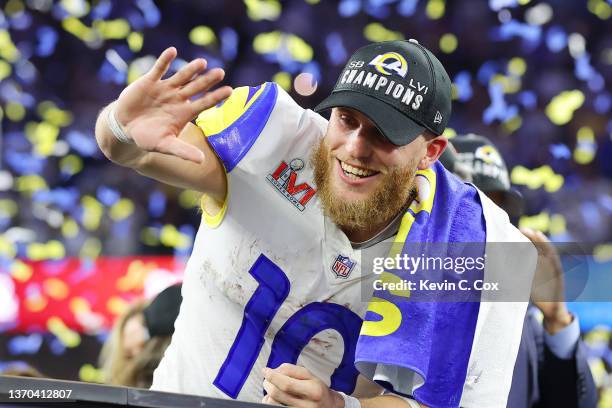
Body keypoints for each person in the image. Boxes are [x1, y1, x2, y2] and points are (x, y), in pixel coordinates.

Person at [94, 40, 536, 407]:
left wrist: (341, 406)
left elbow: (440, 403)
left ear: (431, 152)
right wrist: (118, 128)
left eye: (384, 133)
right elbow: (138, 151)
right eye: (347, 119)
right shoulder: (271, 136)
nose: (355, 147)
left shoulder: (463, 241)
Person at [441, 134, 597, 408]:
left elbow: (574, 403)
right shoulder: (395, 286)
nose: (488, 222)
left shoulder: (523, 320)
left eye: (498, 209)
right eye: (474, 205)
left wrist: (556, 317)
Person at [99, 284, 182, 388]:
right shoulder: (156, 368)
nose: (136, 352)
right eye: (130, 354)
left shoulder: (159, 312)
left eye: (129, 351)